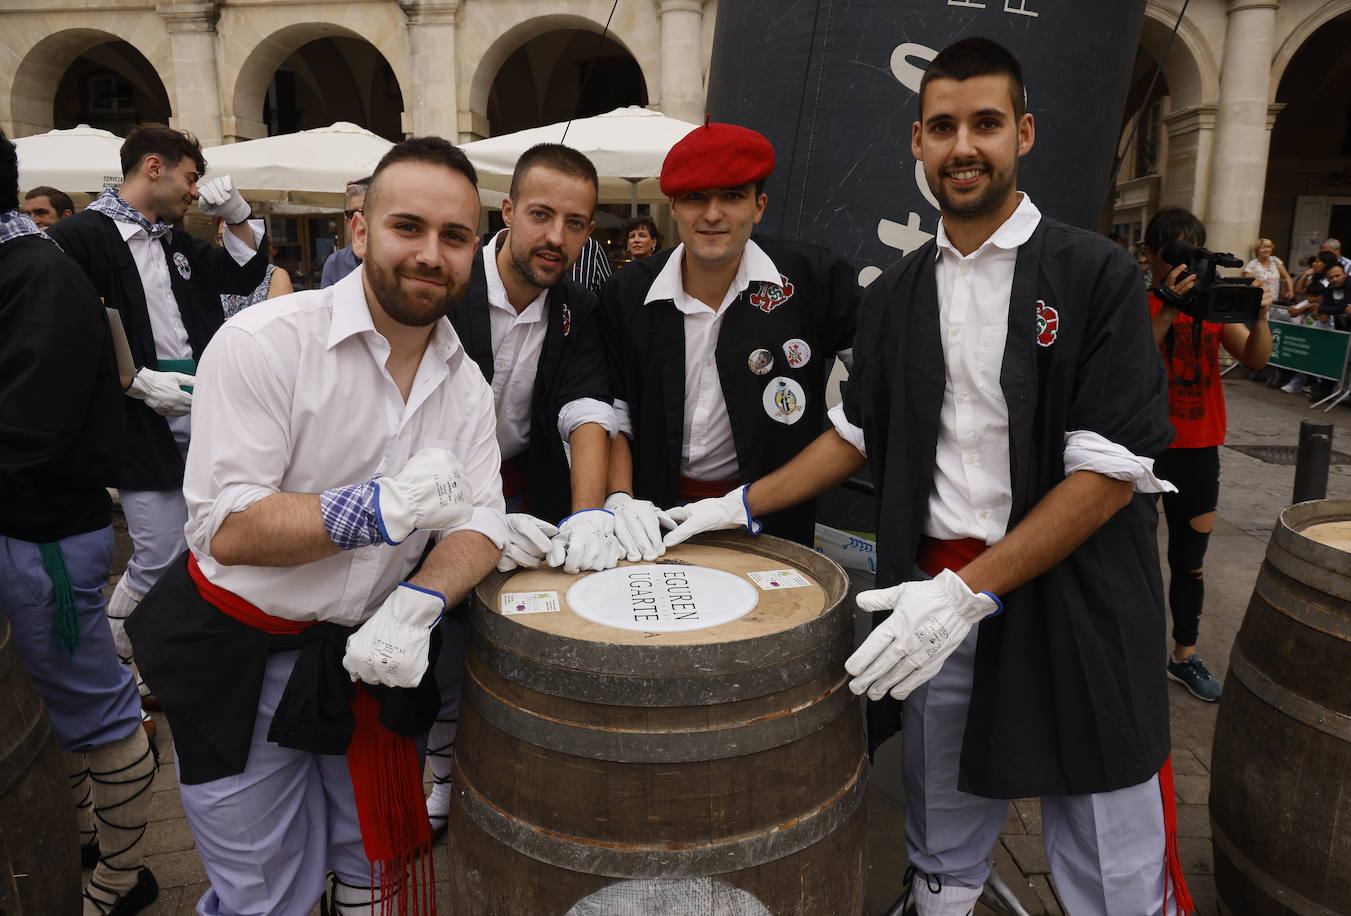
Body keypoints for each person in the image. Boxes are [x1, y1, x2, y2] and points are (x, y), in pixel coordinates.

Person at [664, 37, 1191, 916]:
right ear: (917, 143)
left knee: (1111, 858)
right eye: (941, 127)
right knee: (942, 845)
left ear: (1023, 132)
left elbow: (1105, 474)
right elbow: (857, 432)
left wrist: (968, 592)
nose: (962, 147)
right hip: (933, 600)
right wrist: (737, 504)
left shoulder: (1095, 273)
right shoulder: (899, 289)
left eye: (985, 123)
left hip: (1080, 600)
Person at [126, 137, 508, 915]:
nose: (432, 254)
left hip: (369, 659)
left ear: (475, 249)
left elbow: (485, 522)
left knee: (377, 869)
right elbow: (226, 524)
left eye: (456, 237)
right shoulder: (265, 342)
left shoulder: (465, 384)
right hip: (238, 656)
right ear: (359, 230)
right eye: (409, 227)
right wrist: (379, 508)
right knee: (267, 893)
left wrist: (422, 602)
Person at [425, 143, 618, 836]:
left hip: (522, 488)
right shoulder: (445, 283)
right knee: (439, 640)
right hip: (428, 487)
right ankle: (440, 768)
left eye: (575, 223)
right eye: (541, 215)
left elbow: (586, 408)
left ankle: (496, 759)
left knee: (509, 631)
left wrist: (592, 514)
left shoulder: (576, 305)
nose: (555, 238)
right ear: (505, 212)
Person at [47, 126, 268, 715]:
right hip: (137, 419)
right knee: (157, 551)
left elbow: (243, 275)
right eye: (190, 178)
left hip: (202, 407)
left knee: (205, 541)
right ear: (153, 166)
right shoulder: (79, 237)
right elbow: (64, 330)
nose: (195, 192)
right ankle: (118, 657)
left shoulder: (175, 241)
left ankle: (168, 655)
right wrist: (131, 381)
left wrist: (239, 215)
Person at [0, 129, 159, 916]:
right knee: (48, 705)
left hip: (45, 538)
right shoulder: (27, 269)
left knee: (95, 710)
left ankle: (123, 879)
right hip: (33, 532)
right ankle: (94, 839)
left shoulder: (37, 275)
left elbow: (29, 432)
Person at [599, 120, 856, 548]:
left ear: (759, 206)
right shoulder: (628, 292)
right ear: (674, 206)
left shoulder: (815, 278)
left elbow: (877, 391)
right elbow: (615, 406)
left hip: (773, 521)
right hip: (653, 522)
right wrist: (620, 498)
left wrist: (751, 501)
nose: (713, 214)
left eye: (733, 196)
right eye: (696, 197)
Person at [1141, 206, 1272, 702]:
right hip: (1143, 452)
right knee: (1131, 560)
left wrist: (1258, 315)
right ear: (1151, 256)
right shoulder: (1139, 301)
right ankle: (1130, 654)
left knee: (1189, 562)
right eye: (1173, 253)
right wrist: (1169, 304)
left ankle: (1184, 656)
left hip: (1198, 451)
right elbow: (1133, 358)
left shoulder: (1215, 306)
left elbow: (1256, 357)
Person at [215, 218, 293, 316]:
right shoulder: (217, 274)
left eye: (232, 237)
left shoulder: (274, 276)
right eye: (221, 237)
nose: (225, 243)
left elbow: (279, 322)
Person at [319, 177, 368, 288]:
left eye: (365, 212)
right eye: (352, 214)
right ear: (347, 221)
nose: (358, 219)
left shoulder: (393, 259)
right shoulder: (335, 262)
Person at [1243, 237, 1292, 310]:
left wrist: (1290, 291)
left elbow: (1286, 276)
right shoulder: (1252, 265)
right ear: (1257, 250)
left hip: (1274, 301)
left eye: (1269, 247)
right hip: (1259, 301)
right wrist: (1257, 283)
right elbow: (1247, 282)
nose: (1267, 250)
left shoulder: (1275, 260)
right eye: (1263, 248)